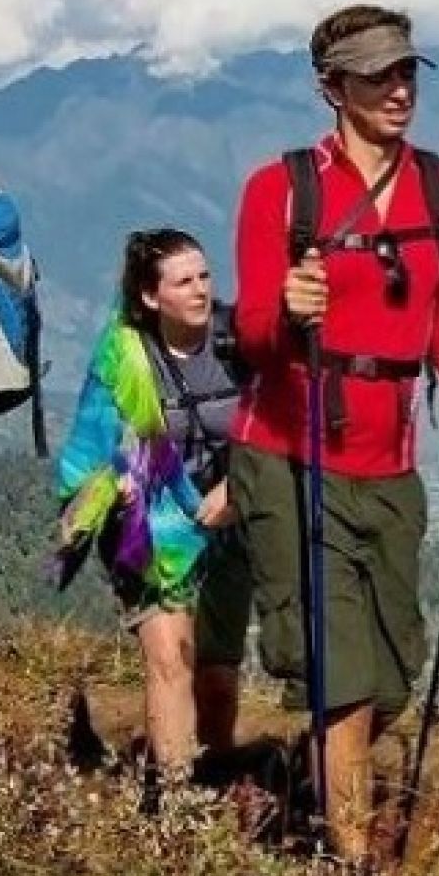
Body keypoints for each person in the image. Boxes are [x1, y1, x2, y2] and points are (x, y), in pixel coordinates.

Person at [228, 3, 439, 861]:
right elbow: (249, 340)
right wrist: (283, 311)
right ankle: (348, 864)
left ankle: (306, 789)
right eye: (376, 75)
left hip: (389, 462)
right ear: (331, 88)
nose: (397, 89)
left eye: (405, 72)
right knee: (340, 679)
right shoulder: (279, 190)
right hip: (288, 452)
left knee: (392, 677)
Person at [52, 229, 253, 799]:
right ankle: (171, 801)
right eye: (182, 281)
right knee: (170, 660)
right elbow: (91, 443)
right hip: (148, 524)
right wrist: (100, 491)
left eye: (204, 277)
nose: (199, 290)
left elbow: (276, 423)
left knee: (216, 676)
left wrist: (239, 487)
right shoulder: (122, 357)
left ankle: (211, 784)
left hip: (230, 519)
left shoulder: (239, 342)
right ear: (149, 295)